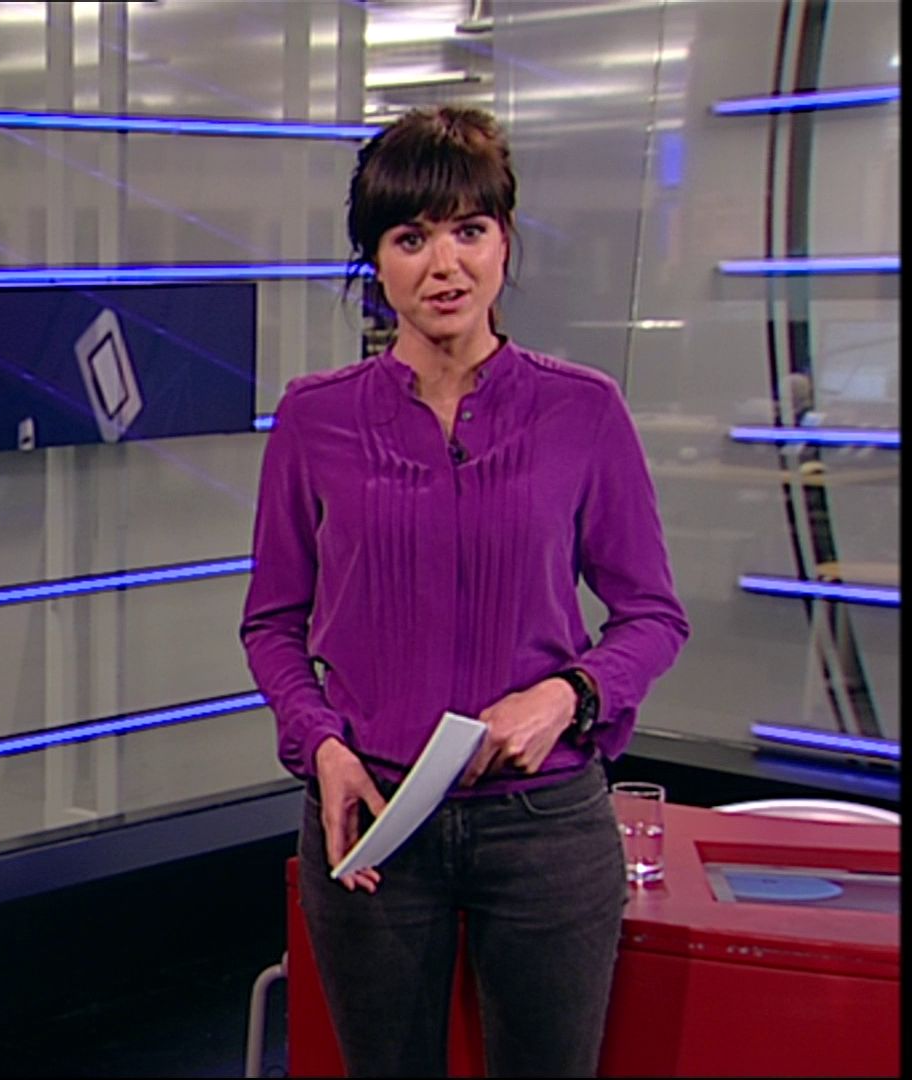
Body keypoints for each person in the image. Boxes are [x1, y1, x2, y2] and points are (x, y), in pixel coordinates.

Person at [239, 105, 689, 1078]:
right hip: (373, 815)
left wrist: (568, 694)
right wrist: (320, 745)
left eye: (468, 231)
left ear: (505, 241)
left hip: (544, 826)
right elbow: (272, 623)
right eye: (411, 238)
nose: (444, 266)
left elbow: (653, 615)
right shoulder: (315, 420)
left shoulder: (582, 410)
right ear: (375, 262)